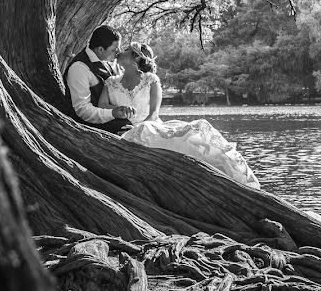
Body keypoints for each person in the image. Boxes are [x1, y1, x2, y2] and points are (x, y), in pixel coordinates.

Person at [99, 41, 260, 188]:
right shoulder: (111, 82)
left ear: (136, 57)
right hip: (122, 131)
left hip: (150, 127)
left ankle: (226, 182)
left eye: (126, 50)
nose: (120, 51)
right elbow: (102, 106)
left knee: (193, 138)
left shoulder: (151, 80)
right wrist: (119, 112)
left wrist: (138, 130)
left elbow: (154, 113)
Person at [64, 25, 136, 135]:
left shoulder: (109, 60)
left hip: (118, 116)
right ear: (101, 49)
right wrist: (113, 113)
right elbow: (82, 110)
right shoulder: (79, 68)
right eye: (114, 50)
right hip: (88, 126)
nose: (118, 54)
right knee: (131, 132)